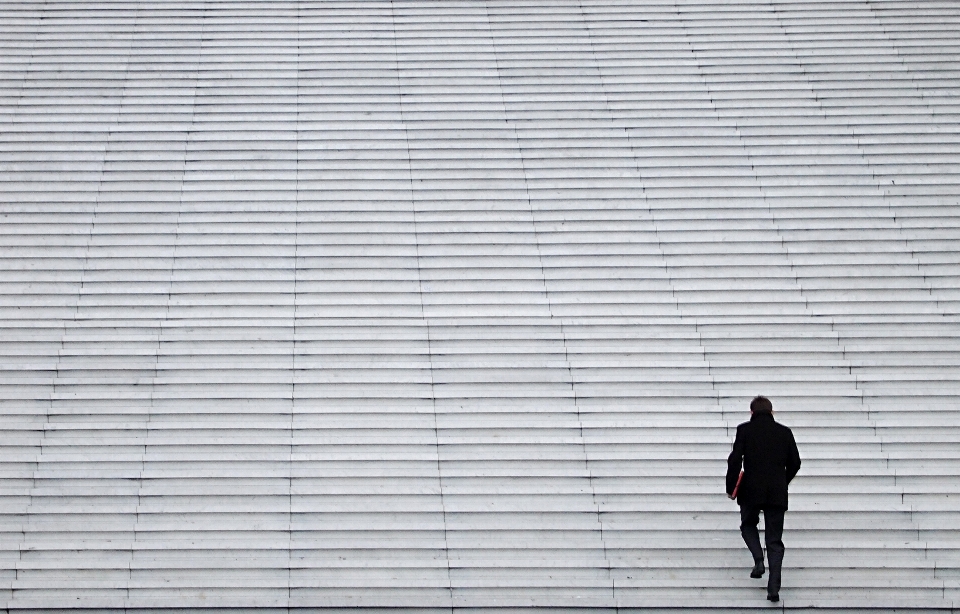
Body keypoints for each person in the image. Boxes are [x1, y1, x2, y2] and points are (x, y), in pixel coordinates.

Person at [726, 396, 801, 603]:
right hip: (776, 492)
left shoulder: (744, 430)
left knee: (747, 524)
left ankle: (758, 559)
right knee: (774, 540)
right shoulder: (784, 432)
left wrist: (731, 487)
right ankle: (774, 588)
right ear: (772, 412)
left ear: (752, 413)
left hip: (750, 489)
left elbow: (734, 459)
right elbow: (795, 462)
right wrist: (782, 481)